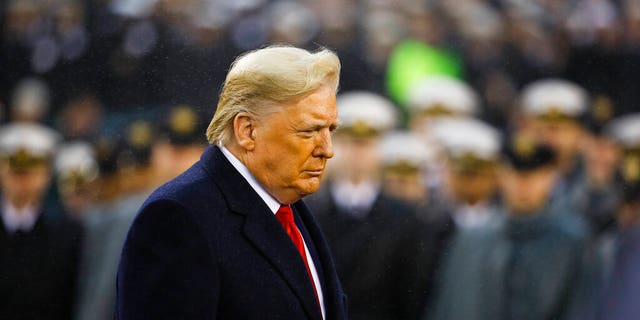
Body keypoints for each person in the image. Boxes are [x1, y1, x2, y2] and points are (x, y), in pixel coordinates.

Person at [116, 45, 347, 320]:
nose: (327, 149)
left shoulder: (288, 206)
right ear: (247, 130)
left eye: (330, 130)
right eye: (309, 131)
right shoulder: (178, 218)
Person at [0, 122, 84, 319]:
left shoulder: (67, 234)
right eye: (16, 171)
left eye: (30, 171)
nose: (22, 181)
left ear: (46, 175)